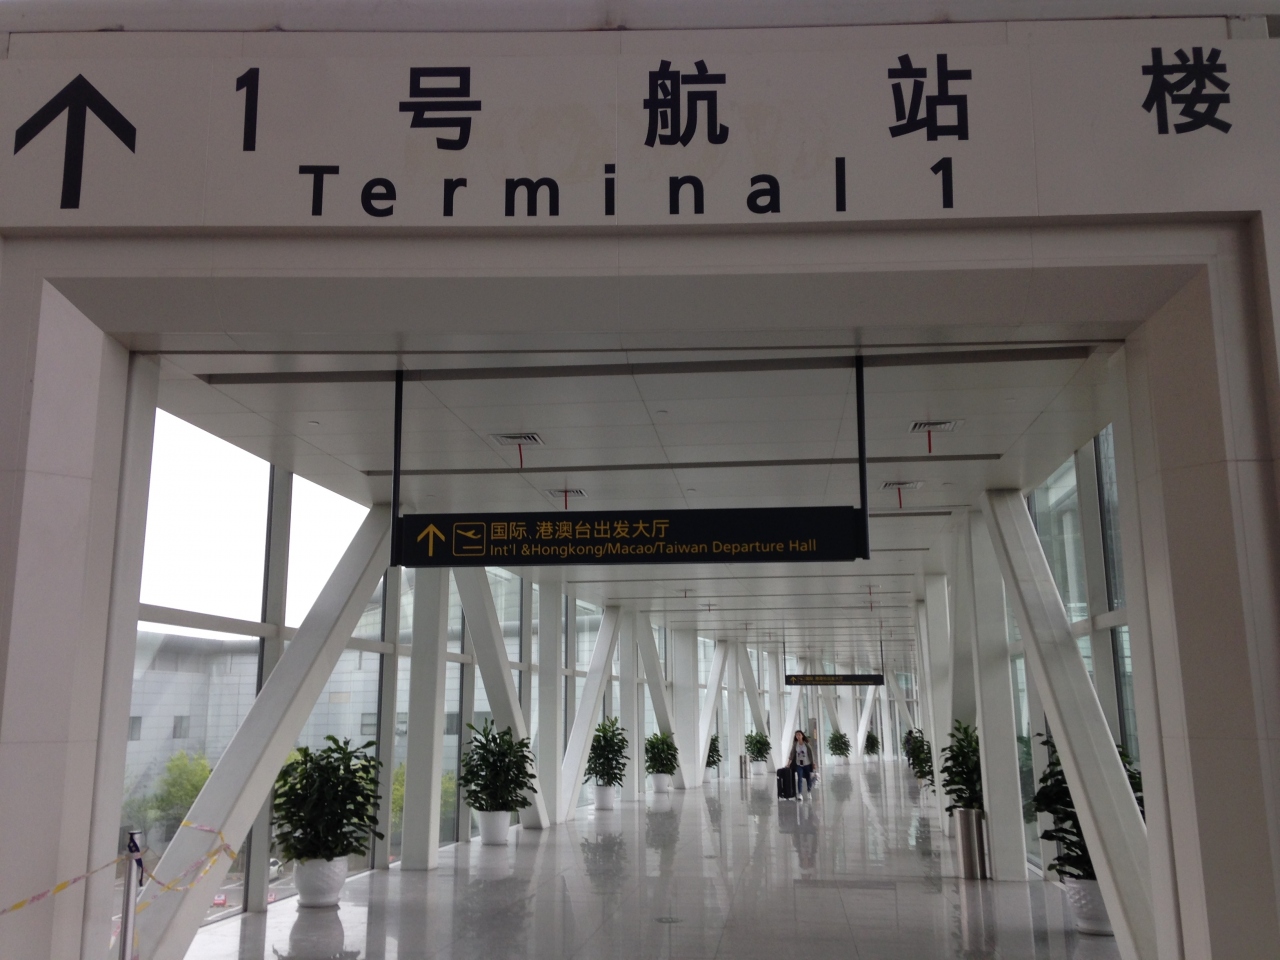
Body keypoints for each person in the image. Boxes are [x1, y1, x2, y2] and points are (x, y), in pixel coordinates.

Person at [788, 730, 817, 801]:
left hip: (807, 764)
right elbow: (792, 754)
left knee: (808, 778)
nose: (798, 736)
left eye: (799, 735)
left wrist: (813, 763)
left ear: (802, 736)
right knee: (799, 778)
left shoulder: (806, 744)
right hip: (799, 765)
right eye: (796, 735)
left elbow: (811, 754)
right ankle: (800, 794)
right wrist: (788, 764)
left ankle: (809, 792)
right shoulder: (795, 744)